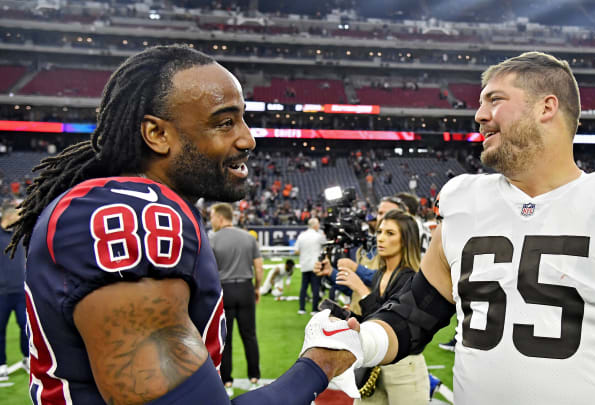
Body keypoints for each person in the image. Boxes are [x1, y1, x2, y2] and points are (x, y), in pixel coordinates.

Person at [329, 51, 595, 404]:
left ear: (547, 107)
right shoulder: (463, 201)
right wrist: (359, 340)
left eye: (494, 100)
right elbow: (414, 314)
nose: (479, 114)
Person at [6, 45, 355, 405]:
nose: (248, 139)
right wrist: (319, 365)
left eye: (243, 119)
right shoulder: (134, 215)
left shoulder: (130, 203)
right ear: (157, 134)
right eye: (224, 122)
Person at [334, 209, 428, 404]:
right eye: (379, 232)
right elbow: (372, 320)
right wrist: (344, 316)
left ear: (405, 240)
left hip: (404, 368)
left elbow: (389, 324)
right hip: (374, 364)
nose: (381, 238)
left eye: (390, 233)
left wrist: (361, 288)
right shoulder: (380, 275)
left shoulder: (412, 278)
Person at [209, 202, 263, 394]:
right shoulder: (248, 238)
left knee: (226, 338)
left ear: (221, 217)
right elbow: (259, 267)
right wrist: (257, 288)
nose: (211, 220)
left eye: (212, 216)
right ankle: (255, 377)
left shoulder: (213, 239)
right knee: (250, 335)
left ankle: (227, 383)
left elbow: (210, 270)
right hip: (246, 288)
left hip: (225, 290)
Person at [0, 206, 28, 380]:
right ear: (8, 216)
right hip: (1, 293)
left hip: (20, 290)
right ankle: (1, 365)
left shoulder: (20, 234)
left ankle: (27, 358)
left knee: (26, 327)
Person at [295, 217, 326, 315]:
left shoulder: (302, 235)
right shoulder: (318, 236)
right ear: (315, 225)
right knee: (315, 287)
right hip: (315, 265)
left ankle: (302, 308)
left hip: (304, 264)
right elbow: (325, 245)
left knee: (303, 287)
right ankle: (314, 309)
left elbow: (296, 250)